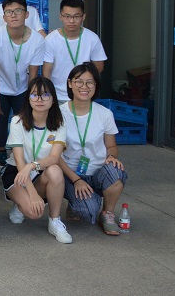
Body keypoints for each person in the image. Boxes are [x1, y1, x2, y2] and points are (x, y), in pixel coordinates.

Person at [58, 62, 128, 236]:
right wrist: (76, 180)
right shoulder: (58, 114)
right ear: (70, 83)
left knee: (116, 171)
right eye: (79, 81)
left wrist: (112, 157)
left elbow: (111, 146)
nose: (84, 86)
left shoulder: (104, 114)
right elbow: (55, 155)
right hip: (70, 174)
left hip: (97, 171)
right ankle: (76, 203)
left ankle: (107, 213)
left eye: (90, 82)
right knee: (87, 210)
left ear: (96, 85)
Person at [1, 77, 72, 243]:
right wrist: (32, 194)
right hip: (17, 172)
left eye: (45, 94)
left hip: (41, 171)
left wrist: (32, 165)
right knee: (34, 213)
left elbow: (54, 157)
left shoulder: (59, 123)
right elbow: (20, 162)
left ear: (53, 99)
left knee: (55, 170)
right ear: (28, 99)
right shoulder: (17, 121)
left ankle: (54, 221)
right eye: (34, 95)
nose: (40, 99)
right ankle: (20, 204)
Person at [0, 0, 45, 166]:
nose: (13, 15)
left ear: (26, 14)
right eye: (9, 12)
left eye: (18, 11)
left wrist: (30, 100)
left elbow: (33, 74)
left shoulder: (37, 40)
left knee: (25, 121)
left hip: (23, 87)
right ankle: (0, 152)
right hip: (0, 86)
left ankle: (23, 156)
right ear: (3, 17)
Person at [43, 0, 107, 104]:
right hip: (58, 95)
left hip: (84, 93)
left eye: (76, 16)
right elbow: (46, 71)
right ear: (60, 17)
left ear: (83, 17)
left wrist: (84, 83)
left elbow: (99, 67)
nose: (71, 21)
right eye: (67, 16)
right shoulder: (51, 39)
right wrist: (49, 94)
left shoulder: (92, 38)